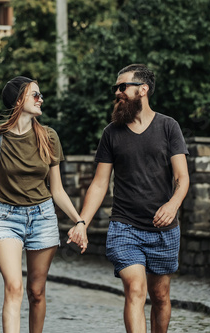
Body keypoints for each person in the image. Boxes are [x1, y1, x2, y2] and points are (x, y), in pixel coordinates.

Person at [68, 64, 190, 332]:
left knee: (160, 296)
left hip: (163, 230)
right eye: (116, 88)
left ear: (143, 89)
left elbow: (182, 178)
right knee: (135, 288)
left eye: (123, 86)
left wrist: (173, 204)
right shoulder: (111, 132)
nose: (118, 92)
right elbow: (99, 184)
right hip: (125, 227)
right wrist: (82, 222)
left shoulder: (169, 127)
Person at [0, 76, 85, 333]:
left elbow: (56, 190)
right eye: (35, 95)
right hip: (5, 218)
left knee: (36, 291)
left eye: (40, 95)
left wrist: (78, 220)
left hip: (43, 217)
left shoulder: (49, 137)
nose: (40, 99)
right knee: (13, 286)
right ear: (18, 101)